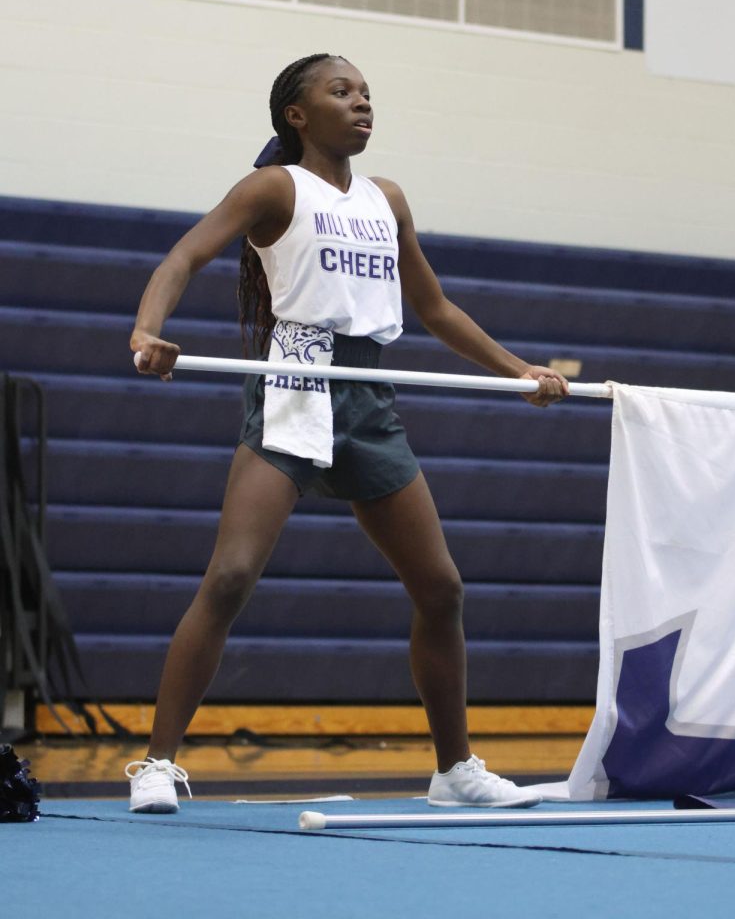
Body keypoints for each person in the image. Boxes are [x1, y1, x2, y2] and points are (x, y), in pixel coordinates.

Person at [125, 53, 568, 813]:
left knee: (442, 589)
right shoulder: (273, 187)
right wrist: (146, 331)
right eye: (342, 92)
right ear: (298, 115)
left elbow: (435, 310)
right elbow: (183, 255)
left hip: (366, 398)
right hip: (295, 384)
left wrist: (518, 371)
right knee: (230, 578)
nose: (362, 103)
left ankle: (454, 770)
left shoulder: (386, 197)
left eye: (366, 93)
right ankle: (158, 763)